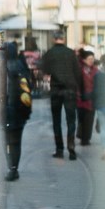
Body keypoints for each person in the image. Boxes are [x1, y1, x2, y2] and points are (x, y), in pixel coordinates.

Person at [41, 30, 82, 160]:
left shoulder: (50, 53)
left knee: (56, 120)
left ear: (54, 39)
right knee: (71, 120)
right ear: (63, 39)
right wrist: (80, 89)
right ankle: (71, 149)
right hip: (70, 90)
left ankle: (59, 149)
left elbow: (45, 70)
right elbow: (78, 72)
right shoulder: (71, 53)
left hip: (56, 90)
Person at [5, 41, 32, 181]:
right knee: (16, 141)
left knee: (7, 141)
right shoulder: (22, 66)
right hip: (20, 112)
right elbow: (29, 87)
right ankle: (14, 167)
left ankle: (11, 168)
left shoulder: (5, 68)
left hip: (8, 111)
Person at [76, 50, 98, 146]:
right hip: (80, 98)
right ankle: (81, 136)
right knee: (81, 118)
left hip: (92, 97)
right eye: (89, 59)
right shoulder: (79, 69)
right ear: (84, 60)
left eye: (93, 59)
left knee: (89, 119)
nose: (91, 61)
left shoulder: (96, 70)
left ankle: (86, 138)